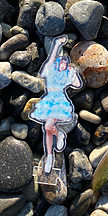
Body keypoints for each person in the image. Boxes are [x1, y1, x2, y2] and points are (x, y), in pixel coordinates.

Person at [30, 34, 82, 173]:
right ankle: (49, 156)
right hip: (48, 99)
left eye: (66, 64)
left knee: (48, 126)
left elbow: (77, 85)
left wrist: (74, 73)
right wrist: (58, 44)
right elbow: (51, 57)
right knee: (47, 130)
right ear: (58, 63)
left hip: (59, 100)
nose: (63, 65)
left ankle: (59, 135)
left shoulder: (66, 75)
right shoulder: (50, 69)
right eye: (62, 62)